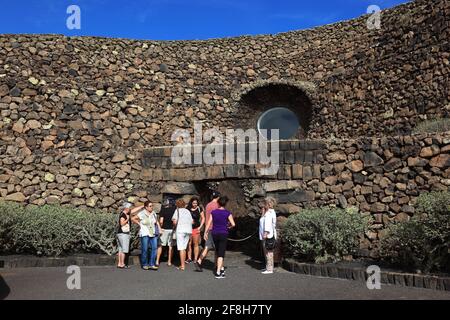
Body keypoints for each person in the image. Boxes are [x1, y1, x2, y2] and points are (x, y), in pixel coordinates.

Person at [204, 196, 235, 279]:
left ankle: (221, 268)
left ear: (218, 203)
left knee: (218, 251)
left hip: (214, 233)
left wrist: (205, 232)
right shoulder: (227, 213)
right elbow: (233, 224)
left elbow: (208, 223)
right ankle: (218, 272)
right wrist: (228, 226)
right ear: (225, 204)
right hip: (223, 233)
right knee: (221, 253)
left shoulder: (213, 212)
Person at [131, 201, 162, 270]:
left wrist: (159, 229)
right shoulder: (142, 213)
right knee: (145, 249)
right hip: (145, 233)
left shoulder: (153, 213)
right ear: (146, 207)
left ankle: (152, 264)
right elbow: (133, 218)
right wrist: (139, 224)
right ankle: (145, 264)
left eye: (152, 206)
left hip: (153, 233)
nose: (151, 207)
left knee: (154, 248)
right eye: (150, 206)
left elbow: (156, 222)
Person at [195, 191, 220, 272]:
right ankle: (216, 265)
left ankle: (199, 261)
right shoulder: (217, 205)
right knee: (217, 248)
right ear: (218, 197)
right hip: (216, 228)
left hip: (208, 228)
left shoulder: (208, 205)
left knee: (207, 247)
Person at [172, 199, 193, 271]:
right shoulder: (188, 211)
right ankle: (183, 264)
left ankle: (182, 265)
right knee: (184, 247)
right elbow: (192, 221)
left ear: (177, 204)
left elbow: (174, 222)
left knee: (181, 248)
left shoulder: (177, 211)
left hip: (180, 230)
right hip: (188, 230)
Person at [259, 197, 277, 274]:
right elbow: (262, 220)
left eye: (265, 203)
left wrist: (265, 233)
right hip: (267, 234)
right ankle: (268, 267)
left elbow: (268, 224)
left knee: (268, 252)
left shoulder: (269, 213)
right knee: (267, 251)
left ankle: (269, 269)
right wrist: (263, 212)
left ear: (269, 204)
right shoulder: (268, 212)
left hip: (268, 235)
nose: (263, 205)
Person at [157, 198, 176, 266]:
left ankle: (157, 261)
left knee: (160, 246)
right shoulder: (174, 210)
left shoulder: (163, 210)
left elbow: (161, 221)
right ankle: (169, 261)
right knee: (171, 246)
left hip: (164, 229)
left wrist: (160, 227)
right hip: (171, 229)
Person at [186, 197, 205, 264]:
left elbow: (203, 218)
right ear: (191, 203)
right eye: (194, 203)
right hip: (188, 228)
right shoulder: (187, 209)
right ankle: (189, 258)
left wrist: (200, 227)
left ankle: (195, 258)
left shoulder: (199, 209)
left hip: (196, 228)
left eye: (196, 203)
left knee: (195, 244)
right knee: (189, 243)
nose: (195, 204)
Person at [116, 202, 132, 269]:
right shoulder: (123, 215)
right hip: (123, 233)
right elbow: (122, 223)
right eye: (129, 208)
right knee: (124, 249)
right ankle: (122, 263)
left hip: (120, 234)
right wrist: (127, 219)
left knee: (120, 249)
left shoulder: (123, 214)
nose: (130, 209)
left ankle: (119, 263)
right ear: (126, 208)